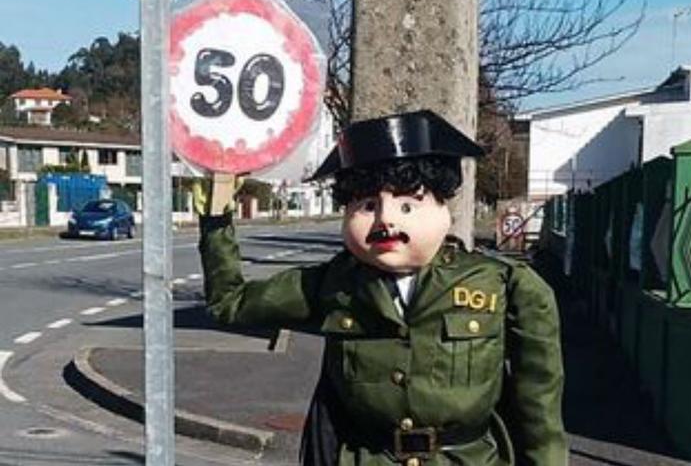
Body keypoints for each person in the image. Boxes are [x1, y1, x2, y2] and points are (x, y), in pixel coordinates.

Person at [198, 110, 567, 465]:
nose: (385, 220)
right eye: (368, 205)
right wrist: (217, 220)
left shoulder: (505, 286)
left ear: (444, 206)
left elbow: (538, 409)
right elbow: (231, 303)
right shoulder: (336, 285)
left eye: (407, 205)